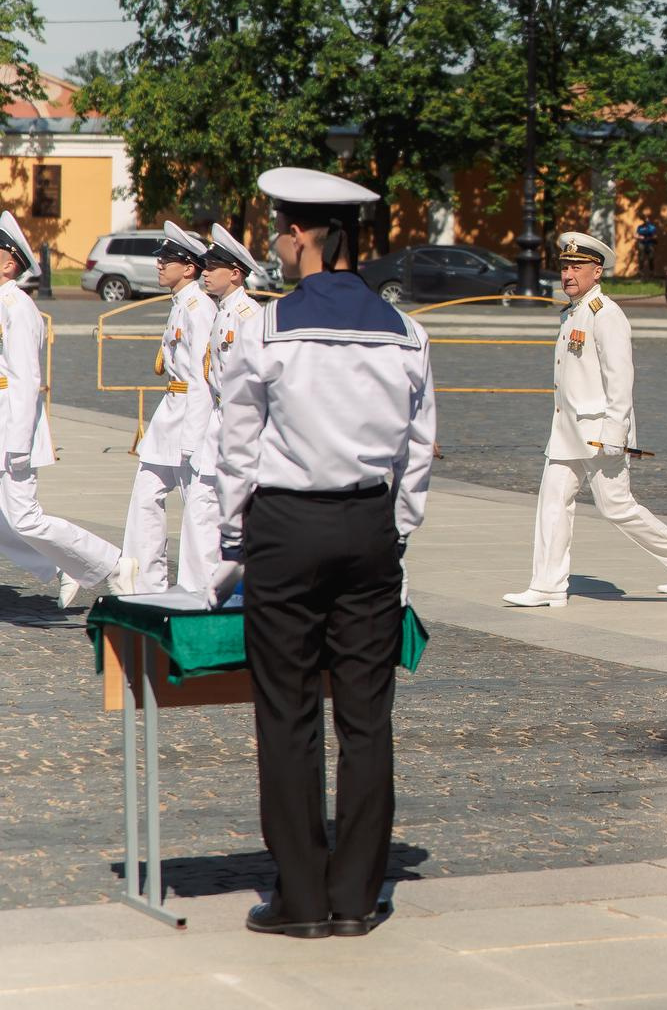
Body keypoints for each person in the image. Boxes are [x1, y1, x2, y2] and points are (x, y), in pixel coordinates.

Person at [216, 167, 436, 939]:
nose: (276, 243)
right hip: (369, 526)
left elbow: (237, 448)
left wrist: (233, 537)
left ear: (306, 235)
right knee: (368, 715)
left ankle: (301, 896)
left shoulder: (265, 327)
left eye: (280, 230)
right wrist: (394, 528)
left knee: (288, 711)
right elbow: (420, 450)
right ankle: (357, 894)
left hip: (286, 523)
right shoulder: (407, 331)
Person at [503, 230, 667, 608]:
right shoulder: (574, 311)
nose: (568, 275)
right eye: (564, 267)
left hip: (598, 430)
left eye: (577, 267)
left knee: (616, 507)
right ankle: (547, 585)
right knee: (552, 502)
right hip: (567, 430)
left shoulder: (606, 314)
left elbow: (620, 378)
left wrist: (616, 430)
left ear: (598, 271)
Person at [0, 212, 127, 608]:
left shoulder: (17, 307)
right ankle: (60, 566)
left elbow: (25, 377)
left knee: (24, 518)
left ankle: (111, 563)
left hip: (11, 427)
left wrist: (19, 442)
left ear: (8, 262)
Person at [122, 221, 221, 594]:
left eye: (168, 259)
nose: (160, 264)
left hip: (190, 419)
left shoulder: (198, 307)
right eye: (160, 258)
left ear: (189, 267)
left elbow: (201, 379)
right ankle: (145, 585)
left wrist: (194, 439)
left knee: (198, 510)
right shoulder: (182, 303)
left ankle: (204, 589)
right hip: (170, 414)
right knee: (146, 497)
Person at [193, 223, 265, 604]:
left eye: (212, 265)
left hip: (240, 422)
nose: (205, 271)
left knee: (234, 506)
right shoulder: (223, 311)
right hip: (220, 418)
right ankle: (208, 585)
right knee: (205, 504)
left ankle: (238, 588)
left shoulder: (248, 314)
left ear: (235, 273)